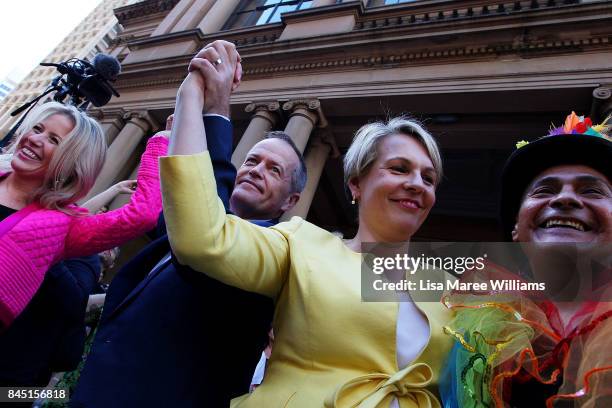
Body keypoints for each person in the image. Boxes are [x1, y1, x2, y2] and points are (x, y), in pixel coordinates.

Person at [161, 41, 454, 407]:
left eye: (428, 178)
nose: (416, 184)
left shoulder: (452, 286)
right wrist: (191, 98)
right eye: (399, 169)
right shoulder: (301, 243)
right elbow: (201, 238)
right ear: (356, 184)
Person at [70, 41, 306, 408]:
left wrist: (211, 108)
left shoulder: (274, 254)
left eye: (274, 170)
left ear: (290, 201)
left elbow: (206, 228)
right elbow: (175, 204)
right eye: (253, 161)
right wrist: (182, 128)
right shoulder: (179, 229)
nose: (257, 170)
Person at [441, 112, 612, 407]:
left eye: (592, 190)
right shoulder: (482, 323)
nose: (565, 199)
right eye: (545, 190)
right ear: (515, 229)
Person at [0, 101, 168, 330]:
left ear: (69, 163)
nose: (35, 139)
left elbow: (143, 215)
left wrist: (162, 141)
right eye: (37, 129)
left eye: (54, 140)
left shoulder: (58, 227)